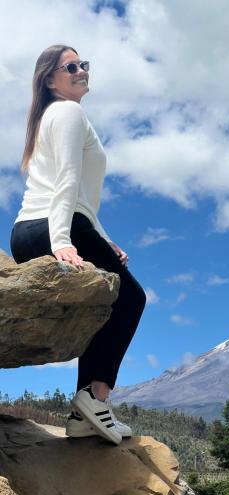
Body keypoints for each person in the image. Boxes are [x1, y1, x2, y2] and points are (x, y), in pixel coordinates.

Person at [10, 44, 146, 445]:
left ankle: (81, 418)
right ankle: (93, 398)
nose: (81, 70)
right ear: (49, 80)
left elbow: (79, 196)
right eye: (71, 66)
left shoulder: (52, 117)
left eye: (83, 64)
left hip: (35, 227)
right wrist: (62, 242)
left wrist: (104, 240)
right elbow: (67, 181)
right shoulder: (69, 112)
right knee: (131, 298)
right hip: (54, 225)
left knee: (109, 299)